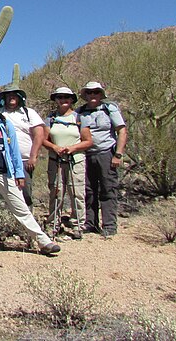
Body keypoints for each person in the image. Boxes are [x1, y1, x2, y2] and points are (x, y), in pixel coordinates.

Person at [0, 91, 60, 260]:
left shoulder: (4, 124)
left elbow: (14, 151)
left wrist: (18, 173)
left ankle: (43, 241)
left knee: (21, 207)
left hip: (5, 172)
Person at [77, 81, 128, 237]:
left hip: (106, 153)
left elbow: (122, 131)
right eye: (90, 92)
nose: (93, 95)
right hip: (86, 154)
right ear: (85, 95)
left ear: (101, 94)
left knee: (108, 188)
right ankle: (90, 223)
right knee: (88, 190)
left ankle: (109, 225)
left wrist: (118, 154)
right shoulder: (80, 112)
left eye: (96, 92)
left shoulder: (109, 109)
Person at [43, 88, 93, 239]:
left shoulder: (79, 118)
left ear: (72, 100)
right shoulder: (50, 119)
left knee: (76, 192)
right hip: (55, 161)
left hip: (75, 161)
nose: (63, 99)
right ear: (56, 100)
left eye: (66, 97)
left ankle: (78, 225)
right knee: (56, 192)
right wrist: (55, 147)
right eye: (60, 97)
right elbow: (44, 140)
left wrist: (73, 148)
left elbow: (88, 141)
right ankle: (54, 224)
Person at [0, 84, 45, 207]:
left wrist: (33, 156)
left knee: (25, 191)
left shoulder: (29, 113)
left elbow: (39, 135)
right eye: (8, 95)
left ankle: (27, 221)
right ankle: (6, 220)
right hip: (3, 161)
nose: (11, 97)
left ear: (19, 97)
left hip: (24, 160)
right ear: (4, 97)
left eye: (14, 95)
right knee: (4, 193)